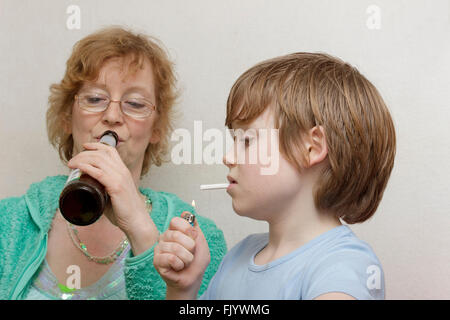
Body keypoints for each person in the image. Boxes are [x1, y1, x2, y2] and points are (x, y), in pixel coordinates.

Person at [0, 26, 227, 300]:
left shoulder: (196, 240)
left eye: (135, 103)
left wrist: (142, 231)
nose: (112, 115)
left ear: (156, 128)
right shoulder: (9, 223)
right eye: (95, 99)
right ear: (66, 117)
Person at [153, 52, 396, 300]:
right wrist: (182, 289)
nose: (227, 157)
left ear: (311, 148)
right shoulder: (238, 257)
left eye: (246, 140)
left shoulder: (342, 267)